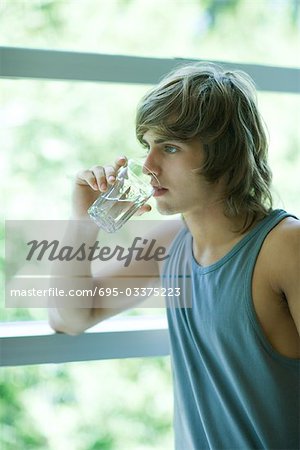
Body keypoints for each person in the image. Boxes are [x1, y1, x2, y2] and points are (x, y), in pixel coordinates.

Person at [48, 62, 300, 449]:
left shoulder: (286, 245)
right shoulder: (171, 243)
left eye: (169, 147)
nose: (148, 166)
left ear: (227, 154)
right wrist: (82, 223)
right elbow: (70, 317)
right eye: (147, 145)